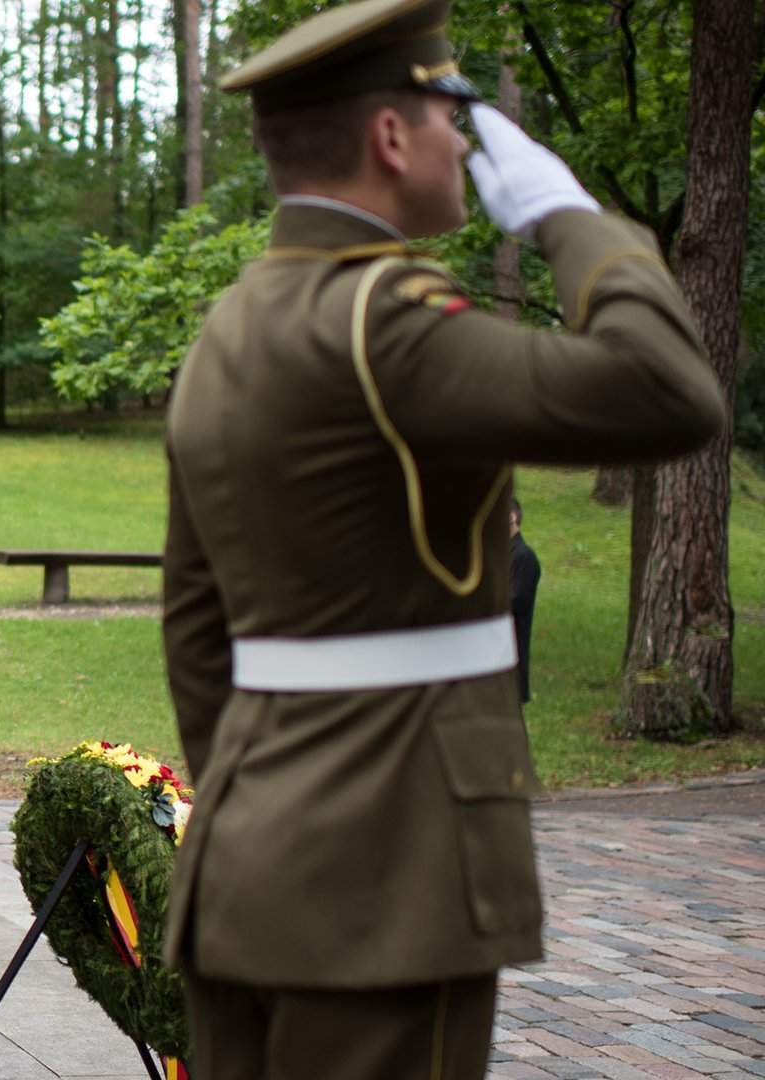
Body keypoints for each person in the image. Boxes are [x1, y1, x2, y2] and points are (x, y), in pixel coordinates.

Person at [161, 0, 724, 1076]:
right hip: (388, 876)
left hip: (249, 859)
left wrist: (271, 807)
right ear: (389, 137)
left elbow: (196, 629)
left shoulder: (233, 326)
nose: (463, 142)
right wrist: (572, 219)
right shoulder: (388, 320)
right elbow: (667, 390)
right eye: (449, 115)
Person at [510, 499, 541, 704]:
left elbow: (518, 601)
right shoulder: (499, 554)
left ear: (512, 517)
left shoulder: (524, 557)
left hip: (511, 647)